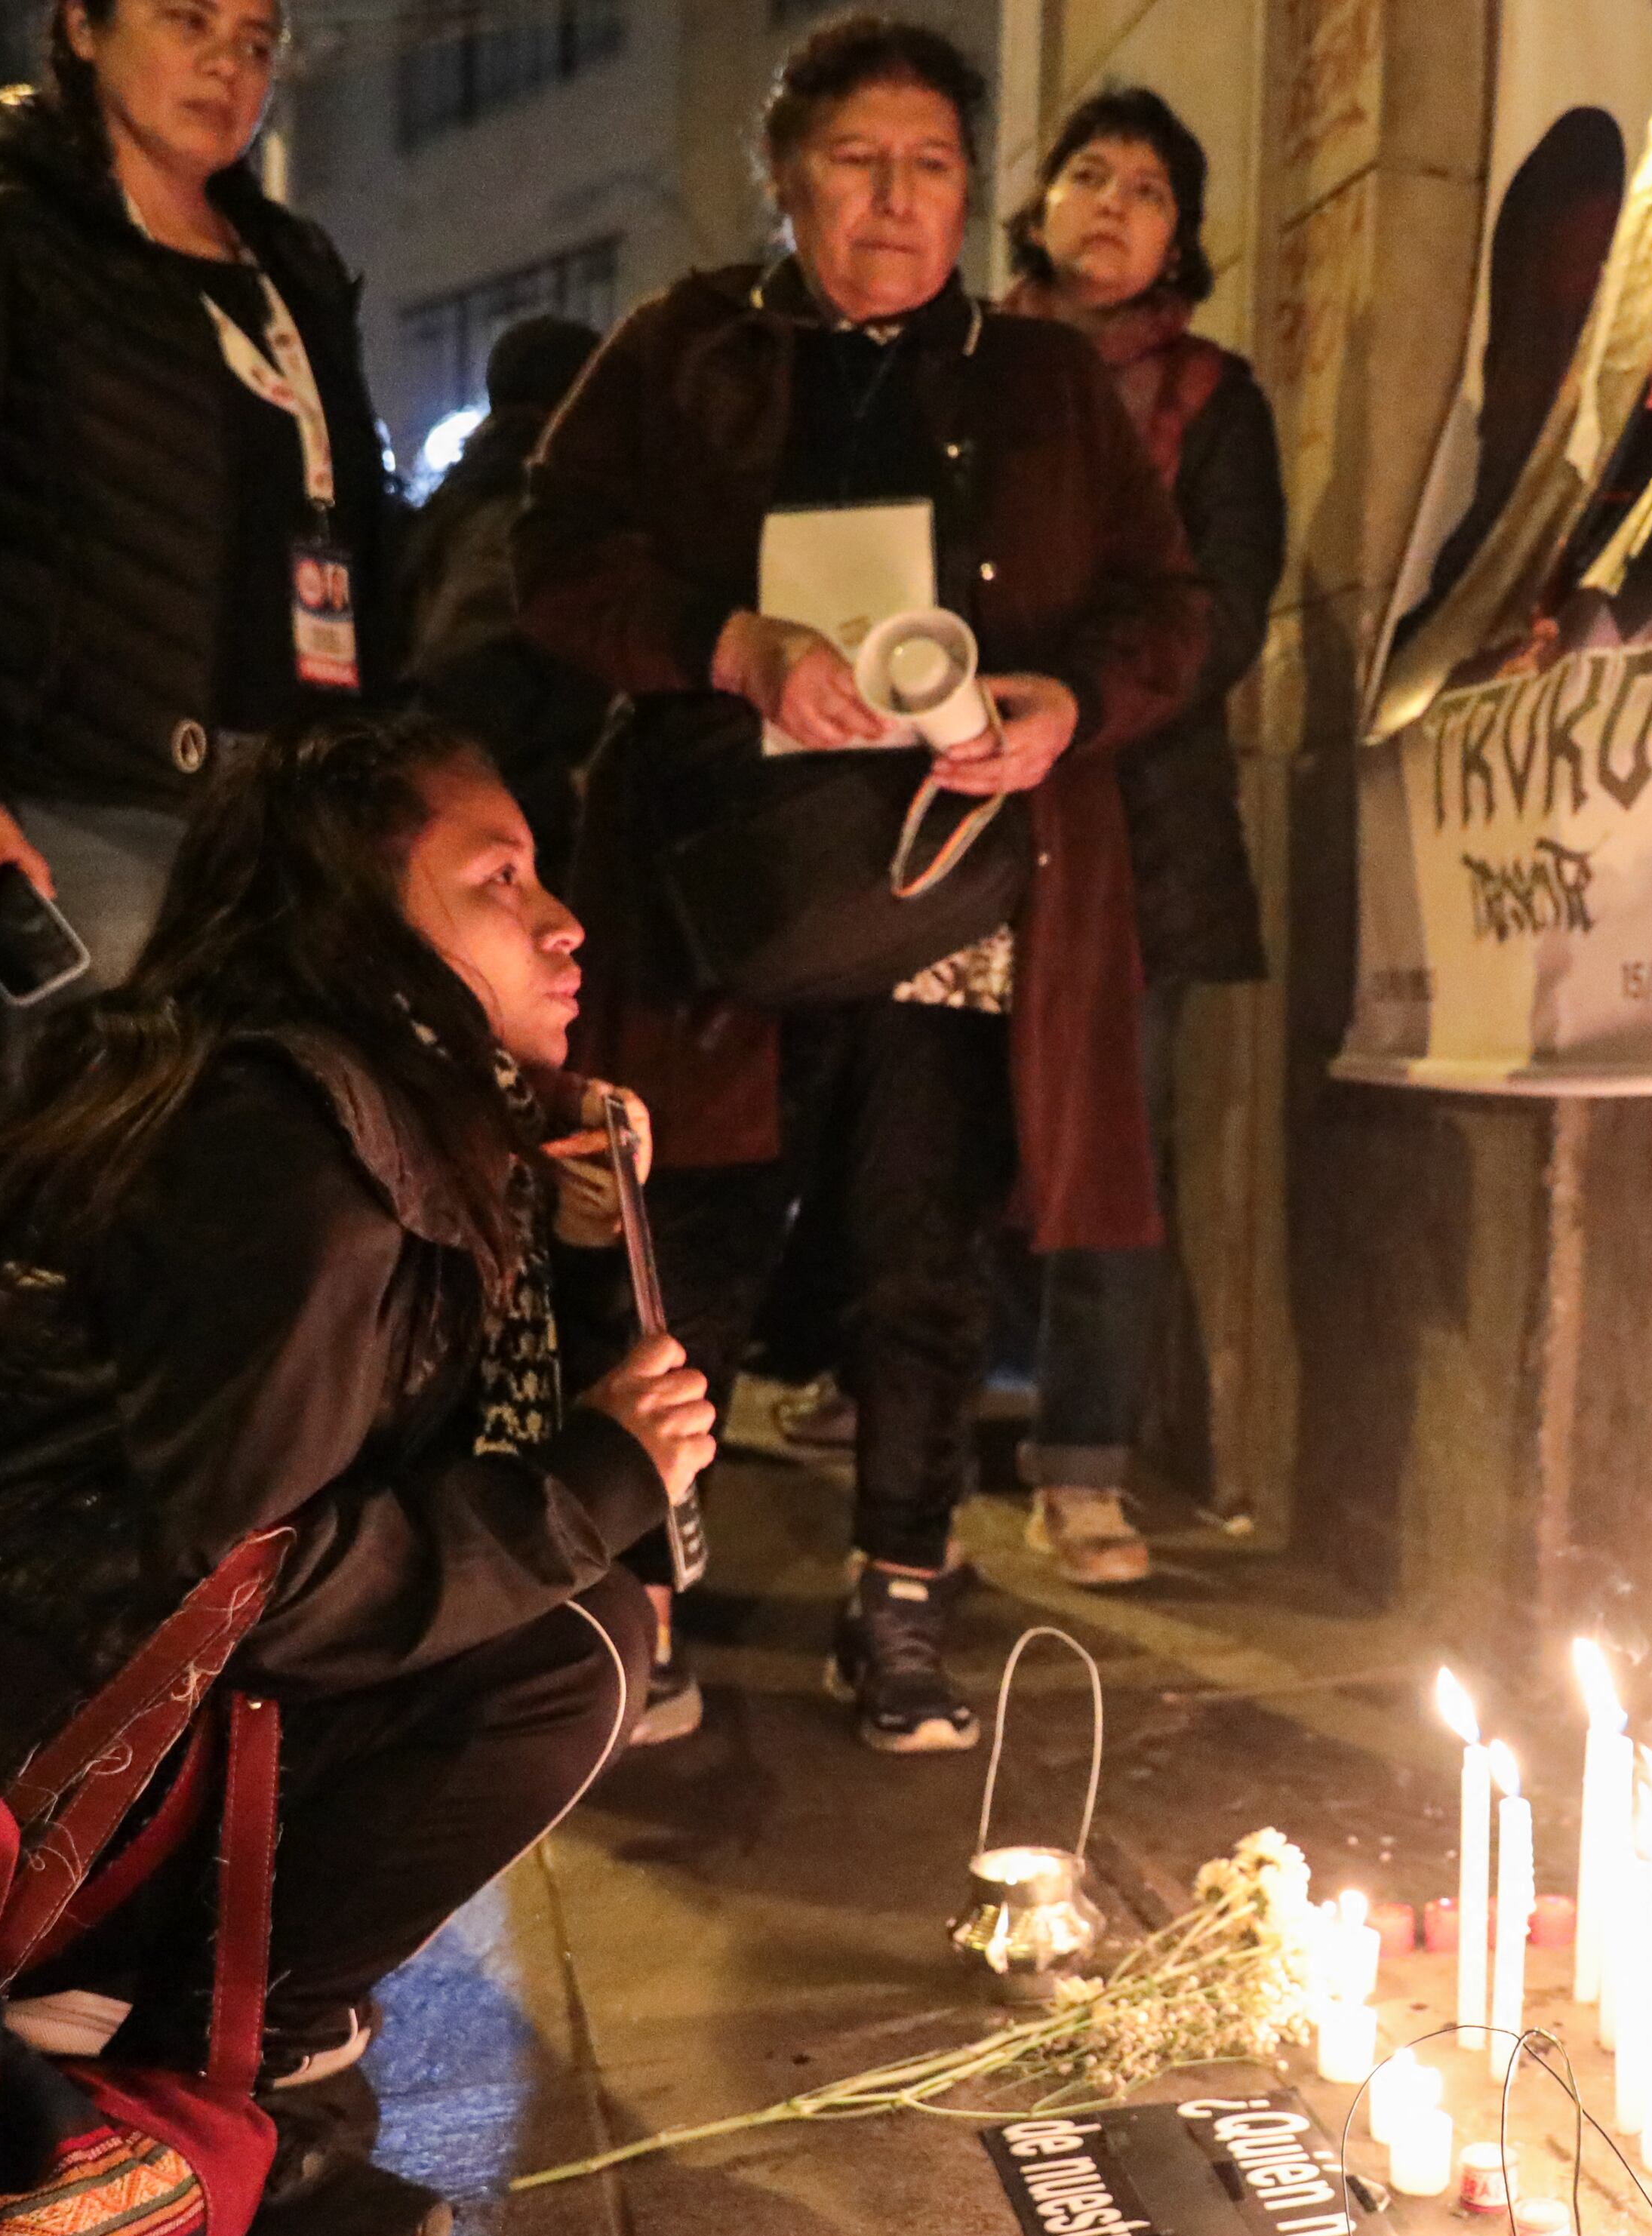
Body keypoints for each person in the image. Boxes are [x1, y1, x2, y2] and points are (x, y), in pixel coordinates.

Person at [0, 713, 714, 2236]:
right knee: (569, 1655)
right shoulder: (289, 1150)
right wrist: (598, 1485)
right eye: (497, 878)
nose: (562, 919)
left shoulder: (315, 1092)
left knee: (565, 1620)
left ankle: (188, 2012)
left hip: (0, 1741)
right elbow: (244, 1579)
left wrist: (555, 1222)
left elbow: (398, 1438)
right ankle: (150, 2061)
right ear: (356, 919)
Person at [518, 13, 1207, 1746]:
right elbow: (552, 560)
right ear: (782, 174)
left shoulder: (1041, 377)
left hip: (959, 900)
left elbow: (1166, 609)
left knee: (923, 1261)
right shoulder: (686, 349)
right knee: (697, 1255)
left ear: (973, 193)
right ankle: (648, 1612)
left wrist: (1065, 705)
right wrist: (726, 643)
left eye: (933, 168)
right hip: (719, 900)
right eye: (855, 161)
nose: (897, 203)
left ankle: (898, 1602)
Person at [0, 0, 395, 1080]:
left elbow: (358, 531)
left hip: (290, 797)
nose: (226, 66)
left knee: (271, 1145)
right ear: (81, 28)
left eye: (256, 42)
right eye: (188, 21)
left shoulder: (290, 264)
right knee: (91, 1150)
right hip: (81, 788)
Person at [997, 87, 1283, 1585]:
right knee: (928, 1136)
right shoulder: (959, 369)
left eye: (1151, 189)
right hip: (958, 800)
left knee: (1111, 1145)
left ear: (1185, 233)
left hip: (1136, 819)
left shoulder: (1213, 400)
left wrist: (1077, 690)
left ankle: (1083, 1460)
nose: (1111, 205)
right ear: (1037, 202)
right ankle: (896, 1434)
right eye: (1086, 175)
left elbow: (1228, 610)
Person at [400, 314, 610, 885]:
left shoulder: (463, 498)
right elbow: (474, 670)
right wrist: (560, 789)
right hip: (527, 819)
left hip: (492, 815)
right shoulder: (524, 503)